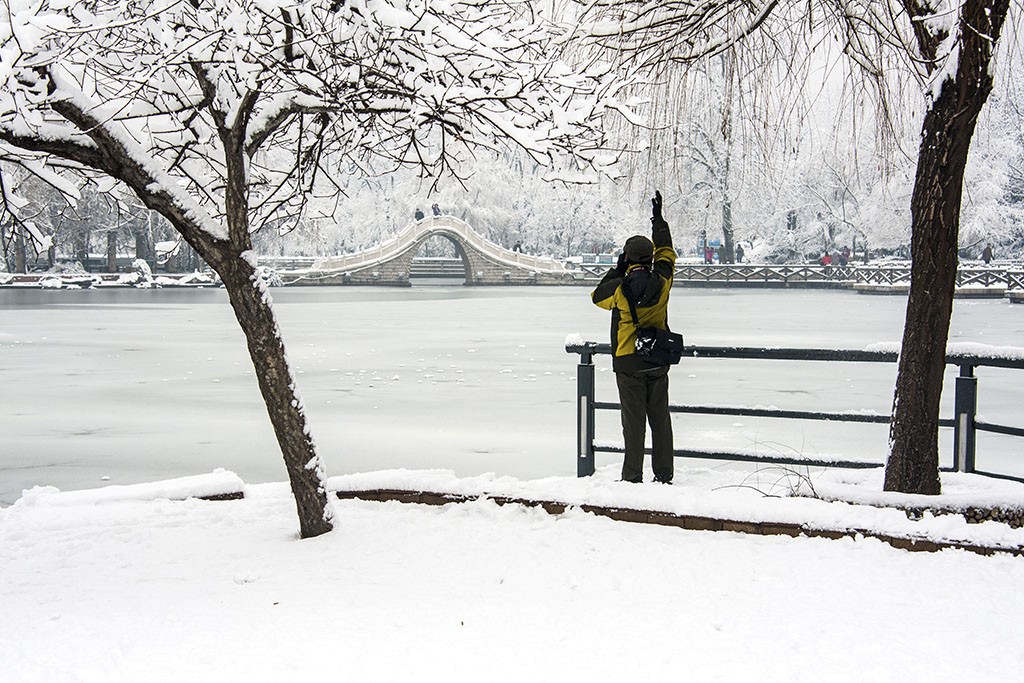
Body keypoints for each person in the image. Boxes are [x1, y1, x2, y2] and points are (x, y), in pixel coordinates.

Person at [592, 190, 677, 484]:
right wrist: (658, 221)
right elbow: (667, 251)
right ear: (651, 258)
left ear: (626, 257)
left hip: (628, 362)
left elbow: (596, 297)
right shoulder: (663, 280)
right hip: (657, 358)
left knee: (634, 423)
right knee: (661, 420)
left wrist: (618, 269)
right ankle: (664, 474)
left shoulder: (619, 287)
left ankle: (632, 477)